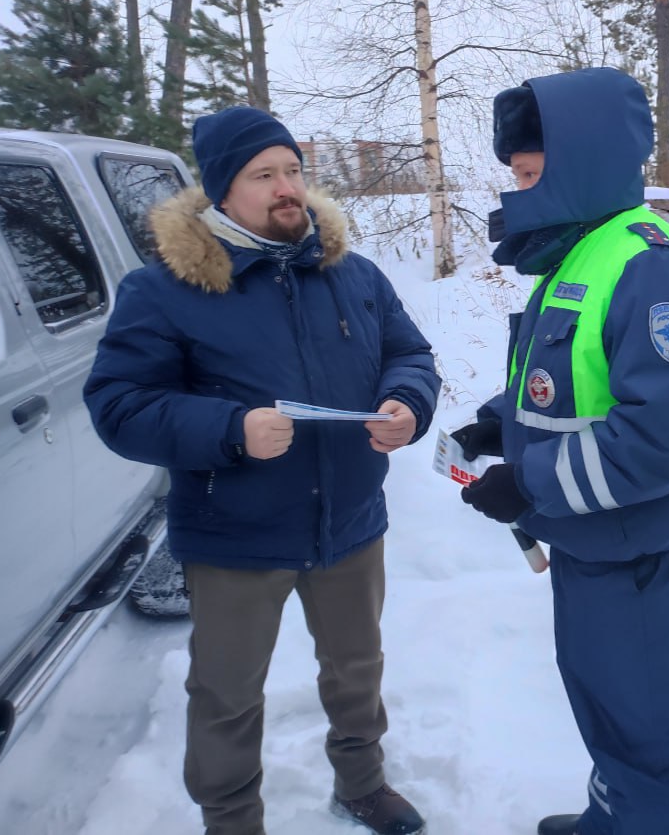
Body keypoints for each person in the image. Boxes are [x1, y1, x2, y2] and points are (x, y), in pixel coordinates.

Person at [84, 106, 441, 835]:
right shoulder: (164, 291)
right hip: (234, 533)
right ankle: (231, 817)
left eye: (293, 171)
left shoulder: (353, 274)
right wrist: (229, 429)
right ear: (222, 191)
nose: (288, 189)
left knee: (356, 668)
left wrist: (406, 402)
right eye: (264, 175)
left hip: (348, 523)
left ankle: (363, 782)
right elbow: (118, 405)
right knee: (226, 690)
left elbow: (409, 352)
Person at [451, 66, 669, 835]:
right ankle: (614, 818)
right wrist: (494, 426)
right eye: (513, 174)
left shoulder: (651, 267)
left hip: (639, 557)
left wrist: (529, 483)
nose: (517, 190)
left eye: (530, 173)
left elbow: (651, 444)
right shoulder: (584, 255)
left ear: (579, 163)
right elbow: (568, 383)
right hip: (593, 544)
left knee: (649, 736)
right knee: (606, 710)